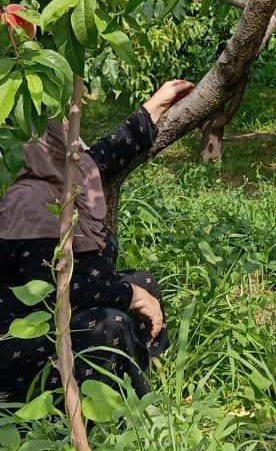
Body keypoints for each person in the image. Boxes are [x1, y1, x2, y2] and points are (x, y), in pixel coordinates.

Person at [0, 79, 194, 402]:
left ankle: (150, 387)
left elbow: (94, 163)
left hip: (51, 319)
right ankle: (137, 420)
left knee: (145, 282)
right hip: (15, 343)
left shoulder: (49, 180)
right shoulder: (23, 204)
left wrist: (152, 109)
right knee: (112, 326)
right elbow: (63, 287)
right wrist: (129, 295)